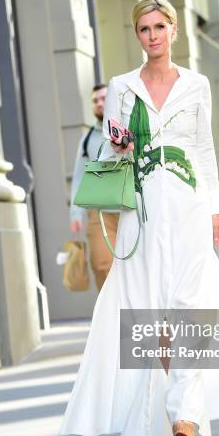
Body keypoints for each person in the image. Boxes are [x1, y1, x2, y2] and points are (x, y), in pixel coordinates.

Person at [59, 0, 219, 436]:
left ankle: (185, 411)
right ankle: (165, 408)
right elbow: (103, 154)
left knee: (191, 303)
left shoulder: (197, 85)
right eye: (144, 29)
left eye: (159, 27)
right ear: (138, 36)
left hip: (189, 205)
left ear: (174, 31)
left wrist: (215, 207)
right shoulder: (121, 87)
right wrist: (118, 145)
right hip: (143, 210)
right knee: (153, 310)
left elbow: (205, 150)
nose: (152, 36)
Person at [70, 84, 119, 291]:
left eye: (103, 98)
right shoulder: (87, 139)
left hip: (132, 211)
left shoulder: (130, 129)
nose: (99, 103)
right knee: (101, 265)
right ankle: (112, 318)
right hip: (99, 213)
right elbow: (80, 175)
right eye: (95, 100)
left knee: (137, 266)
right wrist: (75, 212)